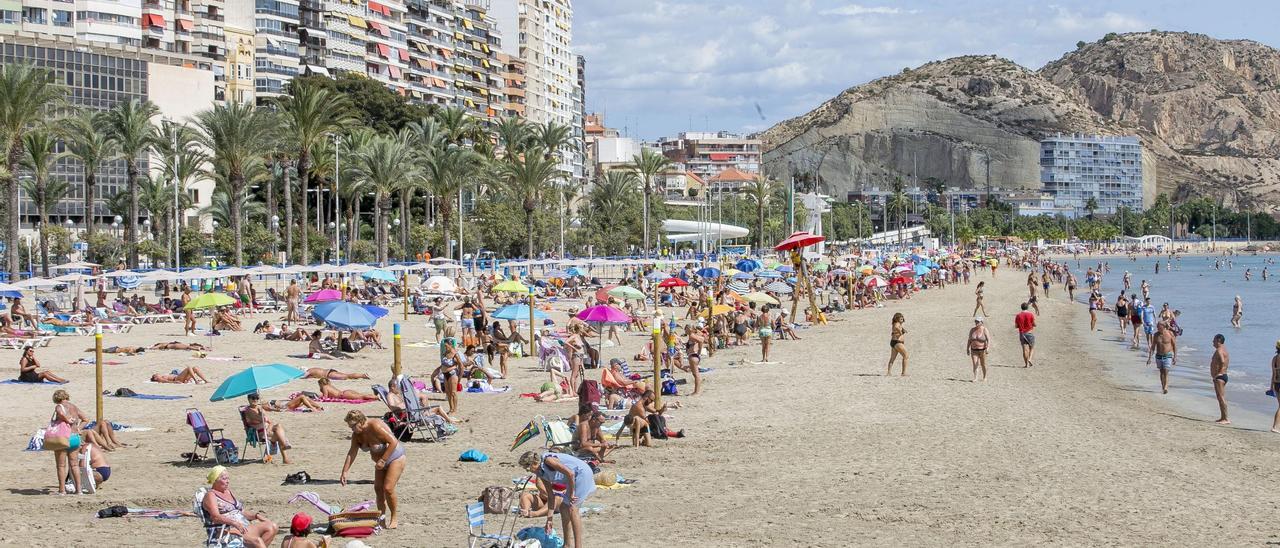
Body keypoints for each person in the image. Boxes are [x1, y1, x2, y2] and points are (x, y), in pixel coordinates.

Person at [340, 410, 405, 529]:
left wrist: (383, 460)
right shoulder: (357, 435)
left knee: (388, 488)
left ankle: (394, 518)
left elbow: (393, 442)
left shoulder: (375, 426)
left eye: (353, 426)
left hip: (395, 457)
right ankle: (381, 519)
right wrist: (344, 471)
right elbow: (352, 452)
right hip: (380, 463)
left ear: (360, 422)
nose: (352, 429)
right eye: (350, 427)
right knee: (378, 489)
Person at [518, 451, 595, 548]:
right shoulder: (541, 473)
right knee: (563, 508)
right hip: (572, 479)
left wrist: (571, 494)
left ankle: (578, 546)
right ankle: (567, 545)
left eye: (527, 468)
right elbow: (551, 496)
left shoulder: (548, 460)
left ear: (533, 463)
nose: (528, 470)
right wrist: (549, 519)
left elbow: (570, 474)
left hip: (582, 474)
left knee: (572, 509)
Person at [202, 466, 277, 548]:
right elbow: (215, 517)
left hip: (243, 527)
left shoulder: (228, 492)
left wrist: (256, 516)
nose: (228, 481)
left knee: (272, 526)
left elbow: (241, 511)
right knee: (257, 541)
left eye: (228, 478)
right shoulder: (210, 495)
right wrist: (234, 523)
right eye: (224, 479)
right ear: (215, 480)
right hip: (226, 530)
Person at [49, 390, 83, 494]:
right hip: (75, 437)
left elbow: (59, 412)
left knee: (61, 465)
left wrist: (66, 419)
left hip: (63, 438)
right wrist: (78, 428)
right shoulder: (74, 407)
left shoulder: (59, 406)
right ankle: (79, 490)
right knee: (74, 465)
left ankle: (62, 490)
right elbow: (86, 418)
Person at [244, 392, 291, 464]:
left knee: (278, 425)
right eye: (253, 398)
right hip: (259, 433)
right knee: (279, 435)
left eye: (257, 398)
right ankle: (285, 455)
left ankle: (284, 446)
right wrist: (262, 412)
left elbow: (270, 422)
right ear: (248, 399)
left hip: (267, 431)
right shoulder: (248, 411)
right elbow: (262, 419)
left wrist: (268, 429)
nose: (255, 400)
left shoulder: (259, 409)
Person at [1146, 321, 1177, 394]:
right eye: (1157, 327)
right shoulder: (1156, 335)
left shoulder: (1170, 334)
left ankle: (1166, 387)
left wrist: (1175, 357)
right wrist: (1149, 358)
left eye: (1158, 327)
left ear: (1163, 327)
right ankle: (1163, 386)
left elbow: (1175, 346)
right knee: (1161, 372)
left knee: (1166, 371)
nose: (1157, 328)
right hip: (1159, 356)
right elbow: (1153, 347)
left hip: (1168, 355)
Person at [1210, 334, 1230, 424]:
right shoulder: (1224, 349)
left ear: (1218, 340)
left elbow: (1222, 361)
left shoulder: (1219, 350)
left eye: (1214, 340)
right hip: (1221, 376)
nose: (1212, 342)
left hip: (1220, 377)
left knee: (1221, 397)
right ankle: (1222, 417)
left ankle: (1226, 418)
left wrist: (1218, 373)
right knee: (1219, 397)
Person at [966, 317, 991, 382]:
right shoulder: (972, 330)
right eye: (976, 321)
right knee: (975, 363)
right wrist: (967, 348)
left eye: (978, 321)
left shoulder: (985, 329)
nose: (976, 323)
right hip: (974, 350)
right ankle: (975, 378)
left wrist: (988, 348)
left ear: (982, 322)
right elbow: (969, 340)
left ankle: (984, 377)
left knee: (983, 364)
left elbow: (988, 340)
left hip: (982, 350)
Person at [1015, 302, 1036, 368]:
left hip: (1022, 333)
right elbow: (1035, 324)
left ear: (1021, 308)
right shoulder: (1031, 314)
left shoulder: (1018, 315)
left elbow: (1016, 326)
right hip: (1029, 333)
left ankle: (1026, 364)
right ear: (1027, 307)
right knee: (1031, 347)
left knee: (1024, 350)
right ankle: (1030, 359)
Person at [1270, 340, 1280, 434]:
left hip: (1276, 384)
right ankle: (1275, 427)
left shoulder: (1274, 358)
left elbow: (1273, 374)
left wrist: (1271, 387)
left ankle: (1276, 426)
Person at [302, 367, 369, 380]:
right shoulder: (313, 369)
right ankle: (362, 375)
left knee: (347, 376)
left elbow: (305, 375)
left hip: (328, 374)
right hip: (330, 371)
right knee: (347, 375)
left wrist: (300, 377)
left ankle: (363, 375)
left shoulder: (309, 370)